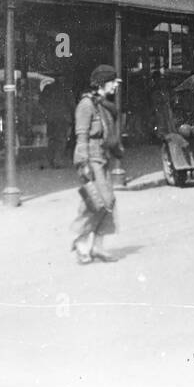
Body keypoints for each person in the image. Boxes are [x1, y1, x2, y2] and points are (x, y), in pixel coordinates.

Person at [72, 65, 121, 264]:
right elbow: (81, 135)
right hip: (91, 158)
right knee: (95, 202)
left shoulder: (102, 104)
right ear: (102, 84)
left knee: (108, 202)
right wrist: (83, 163)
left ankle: (98, 246)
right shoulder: (87, 105)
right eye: (112, 82)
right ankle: (82, 244)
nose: (115, 86)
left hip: (103, 156)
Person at [40, 76, 74, 169]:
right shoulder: (66, 89)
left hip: (51, 118)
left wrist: (47, 112)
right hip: (63, 118)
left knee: (52, 139)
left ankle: (49, 160)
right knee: (61, 139)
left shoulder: (48, 88)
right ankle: (57, 161)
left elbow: (41, 101)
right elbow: (71, 104)